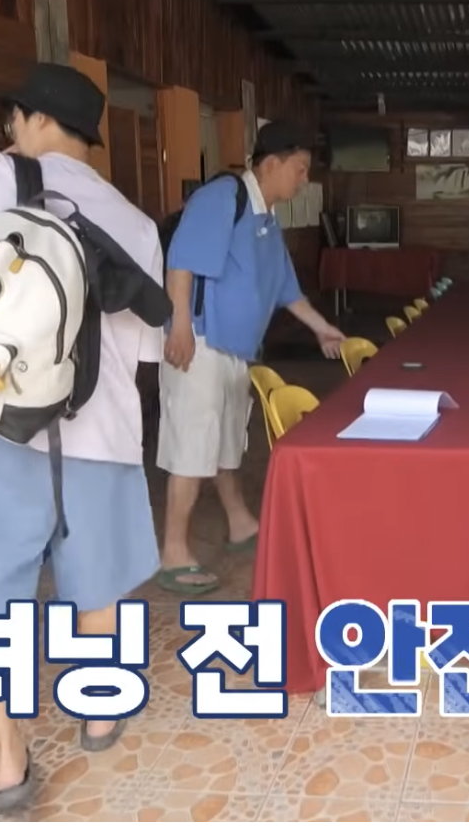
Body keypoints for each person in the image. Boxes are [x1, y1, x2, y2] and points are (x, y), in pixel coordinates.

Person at [0, 64, 163, 811]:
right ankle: (99, 709)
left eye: (14, 119)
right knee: (98, 577)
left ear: (35, 121)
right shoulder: (135, 222)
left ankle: (6, 757)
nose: (9, 133)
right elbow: (142, 350)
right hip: (101, 430)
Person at [156, 122, 345, 596]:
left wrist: (321, 327)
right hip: (200, 344)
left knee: (225, 442)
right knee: (192, 447)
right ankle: (174, 552)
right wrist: (180, 326)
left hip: (236, 349)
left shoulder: (265, 219)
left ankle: (240, 522)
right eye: (300, 169)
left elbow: (285, 289)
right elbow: (181, 262)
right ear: (272, 164)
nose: (304, 179)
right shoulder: (222, 198)